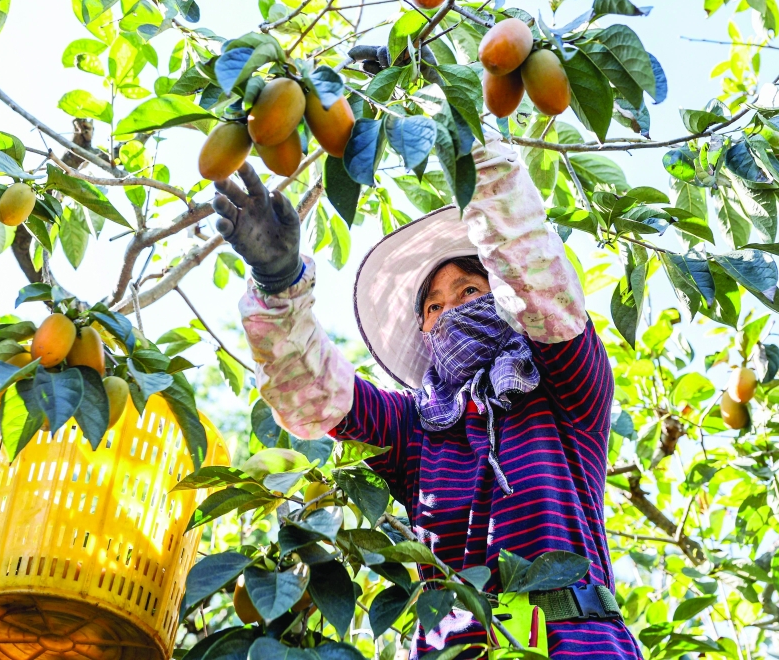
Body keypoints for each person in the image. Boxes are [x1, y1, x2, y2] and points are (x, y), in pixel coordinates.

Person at [210, 134, 643, 659]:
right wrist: (279, 286)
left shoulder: (564, 390)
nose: (451, 311)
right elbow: (315, 394)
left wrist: (463, 136)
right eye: (434, 307)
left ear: (503, 297)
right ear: (423, 330)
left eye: (468, 291)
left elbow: (541, 285)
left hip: (577, 644)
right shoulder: (417, 427)